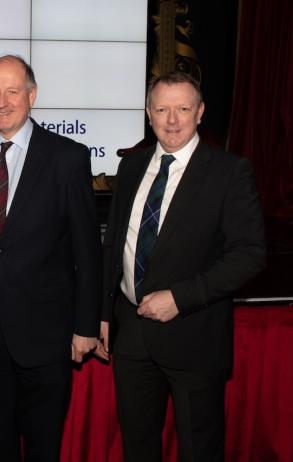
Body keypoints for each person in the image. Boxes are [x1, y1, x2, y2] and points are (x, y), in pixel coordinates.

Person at [96, 71, 266, 461]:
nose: (172, 120)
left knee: (198, 449)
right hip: (132, 335)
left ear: (200, 112)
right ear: (148, 113)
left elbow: (249, 254)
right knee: (138, 448)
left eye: (183, 109)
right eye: (162, 109)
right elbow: (113, 246)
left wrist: (180, 298)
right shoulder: (131, 166)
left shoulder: (229, 172)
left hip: (195, 335)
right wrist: (104, 313)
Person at [0, 55, 102, 462]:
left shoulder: (68, 157)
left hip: (48, 335)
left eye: (12, 90)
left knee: (43, 447)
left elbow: (88, 251)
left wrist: (86, 325)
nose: (2, 101)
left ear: (32, 95)